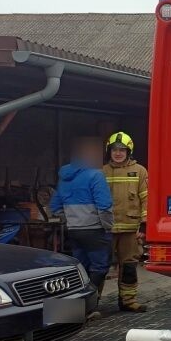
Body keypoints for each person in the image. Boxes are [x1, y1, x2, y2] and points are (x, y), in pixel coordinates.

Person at [49, 137, 113, 319]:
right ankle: (87, 309)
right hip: (94, 230)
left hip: (74, 230)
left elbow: (54, 206)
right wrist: (107, 227)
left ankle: (65, 313)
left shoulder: (65, 177)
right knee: (100, 267)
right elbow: (105, 206)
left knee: (81, 268)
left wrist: (72, 219)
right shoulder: (96, 175)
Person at [102, 131, 149, 313]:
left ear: (129, 151)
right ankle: (92, 303)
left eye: (122, 150)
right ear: (109, 151)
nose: (118, 153)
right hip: (106, 228)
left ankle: (128, 301)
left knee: (129, 265)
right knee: (100, 266)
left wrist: (144, 224)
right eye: (114, 150)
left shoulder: (140, 171)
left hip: (130, 229)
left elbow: (147, 199)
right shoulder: (102, 171)